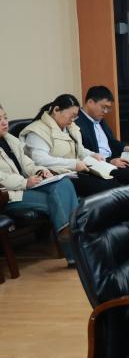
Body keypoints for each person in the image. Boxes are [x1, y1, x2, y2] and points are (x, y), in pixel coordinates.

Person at [0, 102, 79, 264]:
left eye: (5, 117)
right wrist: (25, 182)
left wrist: (40, 171)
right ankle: (75, 250)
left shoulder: (10, 140)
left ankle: (70, 236)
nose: (4, 122)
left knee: (63, 182)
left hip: (27, 187)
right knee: (59, 202)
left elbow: (27, 164)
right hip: (10, 195)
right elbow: (2, 178)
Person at [21, 94, 124, 199]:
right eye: (72, 115)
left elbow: (77, 149)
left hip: (73, 171)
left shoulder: (70, 127)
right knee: (102, 187)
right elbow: (40, 160)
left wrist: (92, 154)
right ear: (56, 110)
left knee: (112, 181)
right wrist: (73, 164)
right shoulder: (38, 131)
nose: (73, 120)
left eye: (75, 116)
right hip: (56, 176)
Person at [75, 85, 129, 202]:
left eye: (108, 108)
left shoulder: (99, 119)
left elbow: (111, 141)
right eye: (103, 107)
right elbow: (82, 153)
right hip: (99, 165)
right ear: (90, 102)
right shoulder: (77, 123)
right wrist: (109, 161)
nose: (105, 111)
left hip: (113, 160)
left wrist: (125, 148)